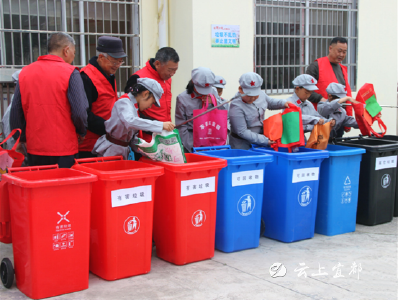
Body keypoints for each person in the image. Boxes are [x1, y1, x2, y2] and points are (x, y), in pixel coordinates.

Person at [10, 32, 88, 168]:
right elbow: (80, 111)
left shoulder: (25, 73)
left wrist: (21, 139)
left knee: (40, 186)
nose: (73, 57)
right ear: (66, 50)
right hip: (64, 147)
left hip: (35, 147)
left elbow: (16, 112)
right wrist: (81, 131)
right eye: (74, 53)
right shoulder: (70, 72)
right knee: (64, 187)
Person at [92, 78, 174, 159]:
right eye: (152, 102)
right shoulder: (124, 102)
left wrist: (150, 151)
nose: (150, 106)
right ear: (145, 94)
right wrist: (160, 125)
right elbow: (130, 121)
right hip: (111, 150)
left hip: (122, 150)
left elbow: (132, 139)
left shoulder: (134, 107)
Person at [79, 36, 127, 158]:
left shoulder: (108, 74)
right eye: (114, 61)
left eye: (120, 62)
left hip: (108, 141)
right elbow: (84, 114)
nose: (117, 65)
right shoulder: (86, 77)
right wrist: (109, 127)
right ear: (101, 57)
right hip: (90, 145)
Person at [125, 47, 179, 141]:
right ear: (157, 64)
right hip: (147, 135)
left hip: (165, 132)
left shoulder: (167, 78)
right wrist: (157, 125)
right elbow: (132, 111)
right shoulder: (138, 78)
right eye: (170, 70)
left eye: (175, 70)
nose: (172, 73)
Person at [229, 72, 291, 150]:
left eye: (255, 95)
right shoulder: (236, 105)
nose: (253, 98)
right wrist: (265, 140)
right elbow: (242, 132)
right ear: (240, 89)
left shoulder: (261, 94)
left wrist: (284, 103)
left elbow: (270, 102)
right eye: (249, 96)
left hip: (260, 141)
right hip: (242, 145)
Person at [306, 36, 352, 136]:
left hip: (339, 120)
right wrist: (321, 99)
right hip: (322, 120)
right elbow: (305, 91)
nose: (341, 55)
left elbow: (347, 95)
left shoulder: (342, 69)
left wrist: (348, 118)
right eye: (339, 51)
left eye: (344, 52)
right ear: (330, 48)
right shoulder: (316, 66)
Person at [175, 67, 228, 153]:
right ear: (193, 82)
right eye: (200, 89)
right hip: (193, 144)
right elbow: (181, 127)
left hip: (214, 142)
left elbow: (225, 113)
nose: (204, 92)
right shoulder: (182, 99)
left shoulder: (213, 91)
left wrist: (216, 102)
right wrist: (193, 147)